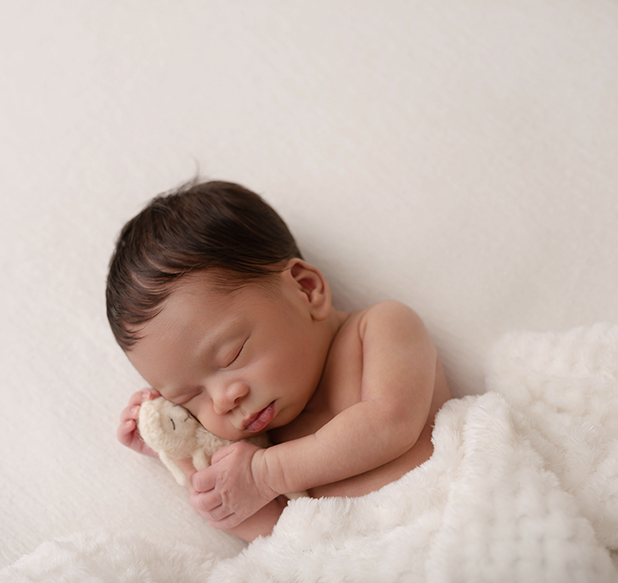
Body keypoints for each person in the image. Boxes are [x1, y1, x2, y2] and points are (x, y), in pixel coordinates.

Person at [107, 180, 451, 542]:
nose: (224, 401)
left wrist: (266, 474)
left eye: (232, 354)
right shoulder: (265, 442)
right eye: (189, 398)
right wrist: (182, 453)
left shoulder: (380, 328)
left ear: (305, 289)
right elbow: (283, 539)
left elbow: (391, 422)